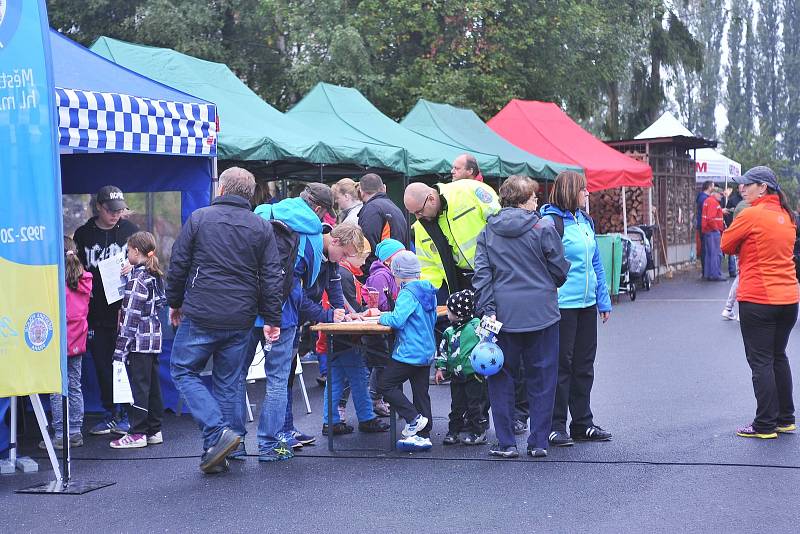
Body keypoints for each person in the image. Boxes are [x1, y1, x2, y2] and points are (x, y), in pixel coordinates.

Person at [168, 167, 283, 474]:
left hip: (201, 310)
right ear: (250, 194)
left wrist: (174, 302)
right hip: (241, 316)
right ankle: (225, 448)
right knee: (228, 383)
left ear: (221, 189)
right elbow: (272, 276)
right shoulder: (261, 227)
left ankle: (217, 434)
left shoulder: (200, 219)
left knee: (182, 369)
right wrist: (272, 317)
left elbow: (178, 264)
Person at [472, 175, 570, 458]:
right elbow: (560, 271)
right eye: (534, 198)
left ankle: (505, 443)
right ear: (524, 200)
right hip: (543, 314)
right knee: (542, 378)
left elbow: (482, 276)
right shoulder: (543, 227)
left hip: (502, 316)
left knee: (500, 377)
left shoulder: (488, 231)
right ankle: (539, 442)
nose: (537, 202)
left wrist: (488, 311)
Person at [238, 182, 335, 462]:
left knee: (235, 377)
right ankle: (269, 446)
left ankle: (234, 444)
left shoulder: (263, 212)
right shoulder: (313, 234)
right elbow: (312, 280)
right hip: (283, 313)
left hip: (245, 308)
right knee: (278, 380)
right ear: (318, 208)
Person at [721, 166, 799, 439]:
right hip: (789, 299)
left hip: (759, 299)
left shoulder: (751, 215)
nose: (742, 188)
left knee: (761, 361)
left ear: (763, 188)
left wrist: (743, 242)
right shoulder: (788, 217)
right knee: (778, 356)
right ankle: (785, 418)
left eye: (747, 185)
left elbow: (726, 245)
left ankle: (765, 424)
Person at [541, 171, 613, 447]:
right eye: (584, 190)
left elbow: (596, 263)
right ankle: (555, 425)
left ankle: (583, 423)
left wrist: (603, 300)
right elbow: (543, 264)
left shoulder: (586, 221)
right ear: (572, 191)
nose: (587, 194)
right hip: (562, 306)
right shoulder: (550, 222)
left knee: (584, 365)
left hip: (587, 305)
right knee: (561, 366)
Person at [73, 185, 138, 436]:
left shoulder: (131, 231)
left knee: (125, 364)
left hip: (126, 310)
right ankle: (110, 412)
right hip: (95, 311)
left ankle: (127, 414)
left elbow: (149, 260)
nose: (115, 215)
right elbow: (74, 270)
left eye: (120, 210)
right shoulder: (84, 234)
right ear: (99, 207)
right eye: (111, 210)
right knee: (102, 364)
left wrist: (133, 268)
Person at [317, 225, 390, 436]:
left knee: (338, 377)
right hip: (343, 334)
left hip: (335, 333)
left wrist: (352, 313)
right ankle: (365, 417)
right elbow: (338, 299)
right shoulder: (343, 273)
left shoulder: (338, 270)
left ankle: (331, 421)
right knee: (357, 375)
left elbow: (339, 300)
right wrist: (356, 314)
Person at [110, 231, 167, 449]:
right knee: (152, 385)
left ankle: (137, 433)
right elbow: (160, 303)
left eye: (128, 250)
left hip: (138, 340)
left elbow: (130, 317)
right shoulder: (154, 276)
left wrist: (120, 350)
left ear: (135, 251)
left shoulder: (138, 280)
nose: (126, 254)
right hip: (153, 338)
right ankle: (154, 429)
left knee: (139, 387)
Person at [377, 251, 438, 451]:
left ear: (398, 273)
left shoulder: (406, 293)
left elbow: (397, 320)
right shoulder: (429, 290)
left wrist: (381, 317)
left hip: (408, 352)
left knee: (385, 384)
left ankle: (413, 418)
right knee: (421, 392)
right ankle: (424, 434)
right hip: (426, 350)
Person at [40, 237, 92, 450]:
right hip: (78, 339)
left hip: (57, 341)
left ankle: (60, 434)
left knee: (56, 387)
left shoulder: (52, 280)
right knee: (74, 385)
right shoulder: (85, 279)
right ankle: (75, 432)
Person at [404, 180, 500, 295]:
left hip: (494, 270)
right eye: (413, 213)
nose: (418, 217)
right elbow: (428, 268)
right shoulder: (421, 227)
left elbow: (500, 222)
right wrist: (425, 295)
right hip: (461, 283)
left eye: (419, 211)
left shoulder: (467, 191)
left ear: (431, 199)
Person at [434, 289, 488, 446]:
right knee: (456, 405)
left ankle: (478, 431)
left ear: (458, 313)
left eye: (449, 311)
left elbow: (490, 339)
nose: (447, 314)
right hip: (456, 376)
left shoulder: (476, 325)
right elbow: (443, 351)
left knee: (475, 405)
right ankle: (453, 431)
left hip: (475, 375)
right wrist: (440, 367)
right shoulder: (449, 332)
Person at [363, 238, 406, 417]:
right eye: (399, 256)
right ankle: (374, 398)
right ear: (388, 260)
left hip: (385, 325)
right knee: (380, 363)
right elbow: (380, 303)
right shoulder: (381, 276)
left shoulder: (392, 274)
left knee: (382, 363)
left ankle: (377, 398)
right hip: (377, 327)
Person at [357, 173, 409, 273]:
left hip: (378, 272)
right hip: (394, 269)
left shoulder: (371, 209)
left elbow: (367, 246)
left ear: (361, 191)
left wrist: (365, 274)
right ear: (384, 188)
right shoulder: (395, 207)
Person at [722, 184, 750, 321]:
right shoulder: (745, 206)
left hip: (739, 244)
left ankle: (729, 308)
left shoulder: (740, 205)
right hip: (744, 245)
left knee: (741, 276)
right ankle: (735, 309)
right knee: (743, 277)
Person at [702, 189, 726, 281]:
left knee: (709, 254)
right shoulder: (713, 202)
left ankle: (708, 274)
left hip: (708, 231)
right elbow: (710, 218)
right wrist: (717, 229)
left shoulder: (708, 201)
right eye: (720, 194)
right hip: (713, 231)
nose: (721, 196)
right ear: (714, 193)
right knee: (716, 253)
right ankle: (715, 274)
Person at [723, 186, 743, 277]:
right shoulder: (732, 200)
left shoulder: (751, 199)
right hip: (734, 226)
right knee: (733, 250)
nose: (742, 190)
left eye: (744, 187)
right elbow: (726, 212)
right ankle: (732, 270)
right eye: (741, 188)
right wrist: (730, 225)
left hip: (745, 229)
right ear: (738, 189)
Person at [695, 180, 715, 270]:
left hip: (704, 225)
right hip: (704, 226)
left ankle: (706, 269)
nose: (714, 188)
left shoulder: (703, 197)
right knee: (705, 248)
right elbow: (707, 211)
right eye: (713, 186)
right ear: (709, 187)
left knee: (705, 247)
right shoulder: (704, 198)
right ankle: (706, 269)